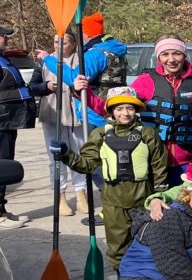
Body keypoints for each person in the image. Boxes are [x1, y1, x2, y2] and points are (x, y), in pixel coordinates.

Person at [53, 87, 170, 280]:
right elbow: (86, 164)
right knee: (118, 251)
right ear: (111, 111)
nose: (125, 113)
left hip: (143, 200)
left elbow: (159, 168)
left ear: (136, 110)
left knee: (147, 248)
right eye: (119, 108)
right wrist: (65, 154)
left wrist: (158, 197)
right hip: (113, 201)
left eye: (129, 108)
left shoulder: (148, 134)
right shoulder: (100, 134)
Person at [131, 34, 192, 185]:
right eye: (165, 54)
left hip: (185, 164)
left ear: (184, 55)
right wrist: (86, 93)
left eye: (177, 53)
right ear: (158, 57)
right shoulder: (143, 82)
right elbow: (116, 110)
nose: (171, 59)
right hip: (152, 162)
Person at [29, 32, 88, 217]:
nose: (58, 46)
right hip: (53, 114)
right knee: (56, 156)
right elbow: (33, 87)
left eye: (64, 42)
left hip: (77, 115)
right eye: (56, 42)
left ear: (73, 44)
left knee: (79, 153)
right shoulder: (44, 62)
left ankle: (81, 193)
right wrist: (47, 86)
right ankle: (60, 195)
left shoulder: (82, 61)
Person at [51, 12, 128, 126]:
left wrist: (48, 60)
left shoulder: (96, 54)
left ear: (87, 34)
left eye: (82, 33)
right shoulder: (117, 51)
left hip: (95, 112)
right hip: (114, 108)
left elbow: (74, 78)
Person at [0, 24, 35, 228]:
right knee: (3, 164)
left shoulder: (4, 59)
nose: (6, 39)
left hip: (8, 120)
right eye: (2, 36)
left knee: (6, 162)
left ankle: (2, 209)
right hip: (2, 120)